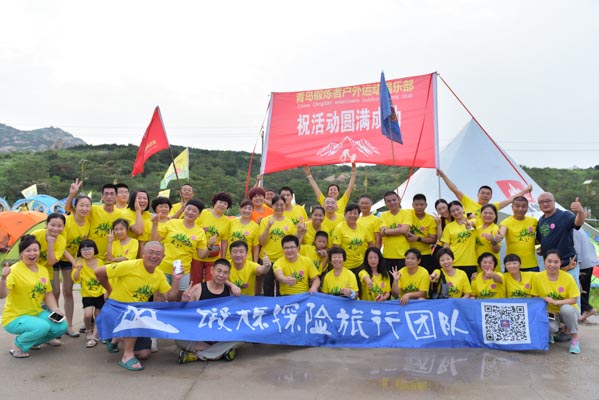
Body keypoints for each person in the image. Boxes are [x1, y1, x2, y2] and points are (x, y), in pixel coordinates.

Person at [95, 241, 183, 371]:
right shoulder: (129, 265)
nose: (154, 256)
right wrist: (109, 290)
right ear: (143, 254)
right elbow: (98, 272)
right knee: (134, 313)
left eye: (158, 253)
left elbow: (170, 298)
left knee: (144, 354)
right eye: (150, 252)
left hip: (136, 314)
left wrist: (176, 279)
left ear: (163, 257)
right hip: (116, 309)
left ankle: (116, 338)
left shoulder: (159, 275)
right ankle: (127, 355)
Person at [1, 235, 68, 358]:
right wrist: (3, 278)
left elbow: (47, 293)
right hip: (15, 317)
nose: (32, 253)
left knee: (62, 326)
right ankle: (17, 345)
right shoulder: (14, 270)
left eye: (35, 250)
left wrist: (56, 309)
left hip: (37, 312)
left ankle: (34, 341)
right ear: (21, 253)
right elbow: (2, 295)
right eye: (28, 250)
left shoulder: (43, 270)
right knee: (43, 327)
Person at [176, 259, 237, 363]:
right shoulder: (197, 289)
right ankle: (218, 352)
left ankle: (197, 355)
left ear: (228, 275)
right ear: (212, 270)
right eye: (219, 271)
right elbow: (184, 316)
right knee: (178, 338)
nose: (221, 275)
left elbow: (236, 317)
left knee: (242, 337)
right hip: (199, 336)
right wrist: (184, 302)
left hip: (221, 336)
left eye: (225, 272)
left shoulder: (231, 292)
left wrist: (233, 286)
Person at [151, 199, 212, 300]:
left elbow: (201, 255)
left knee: (178, 301)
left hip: (182, 271)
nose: (190, 212)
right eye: (188, 209)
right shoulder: (172, 223)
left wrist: (210, 247)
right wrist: (155, 224)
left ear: (199, 215)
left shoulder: (200, 232)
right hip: (163, 267)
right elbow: (154, 240)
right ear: (184, 210)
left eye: (194, 211)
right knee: (159, 299)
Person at [436, 168, 532, 223]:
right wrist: (443, 175)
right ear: (478, 194)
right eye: (482, 193)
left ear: (491, 197)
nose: (485, 195)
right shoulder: (468, 202)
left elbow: (510, 199)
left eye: (488, 194)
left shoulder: (492, 207)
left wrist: (525, 191)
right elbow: (454, 189)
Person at [532, 250, 581, 353]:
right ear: (544, 261)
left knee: (566, 309)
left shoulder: (568, 277)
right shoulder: (537, 277)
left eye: (556, 262)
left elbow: (574, 299)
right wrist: (544, 311)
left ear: (561, 262)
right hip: (550, 313)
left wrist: (556, 302)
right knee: (550, 326)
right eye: (549, 261)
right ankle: (550, 334)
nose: (552, 265)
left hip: (566, 312)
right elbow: (535, 297)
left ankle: (574, 339)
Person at [58, 194, 92, 337]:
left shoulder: (88, 223)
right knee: (54, 292)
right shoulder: (66, 221)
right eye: (81, 205)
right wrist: (73, 261)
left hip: (72, 259)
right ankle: (55, 325)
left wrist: (77, 260)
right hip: (57, 257)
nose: (84, 208)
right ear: (75, 207)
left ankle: (69, 325)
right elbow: (61, 246)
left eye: (87, 206)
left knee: (67, 291)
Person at [536, 193, 585, 275]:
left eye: (548, 201)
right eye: (541, 202)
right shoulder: (541, 220)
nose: (545, 204)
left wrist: (580, 212)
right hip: (550, 267)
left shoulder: (564, 215)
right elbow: (541, 239)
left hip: (568, 265)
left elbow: (578, 223)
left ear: (554, 201)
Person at [259, 195, 297, 296]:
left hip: (283, 260)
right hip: (267, 260)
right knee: (268, 288)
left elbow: (293, 243)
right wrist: (268, 227)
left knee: (282, 288)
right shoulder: (265, 221)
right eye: (276, 205)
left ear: (285, 206)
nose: (279, 207)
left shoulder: (289, 222)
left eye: (282, 205)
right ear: (272, 206)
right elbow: (262, 242)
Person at [71, 240, 105, 348]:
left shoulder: (100, 262)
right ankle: (89, 330)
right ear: (80, 251)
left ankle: (94, 336)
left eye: (89, 248)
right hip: (87, 294)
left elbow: (106, 277)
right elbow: (76, 279)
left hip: (100, 293)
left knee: (98, 315)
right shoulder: (79, 263)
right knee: (87, 315)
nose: (87, 251)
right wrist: (78, 270)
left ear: (94, 250)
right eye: (84, 249)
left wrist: (106, 292)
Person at [196, 192, 232, 283]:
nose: (222, 205)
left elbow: (224, 241)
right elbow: (193, 228)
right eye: (220, 202)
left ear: (227, 207)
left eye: (225, 204)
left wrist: (223, 258)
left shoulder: (227, 221)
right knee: (195, 282)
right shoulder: (203, 213)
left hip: (213, 257)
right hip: (197, 254)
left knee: (211, 282)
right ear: (215, 203)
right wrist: (201, 230)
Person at [497, 196, 539, 271]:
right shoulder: (505, 222)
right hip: (512, 264)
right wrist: (499, 236)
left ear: (527, 207)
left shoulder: (534, 221)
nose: (520, 209)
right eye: (517, 206)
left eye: (523, 206)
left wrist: (541, 246)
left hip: (531, 264)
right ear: (512, 207)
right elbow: (501, 233)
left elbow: (538, 239)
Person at [332, 203, 375, 273]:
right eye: (350, 213)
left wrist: (367, 256)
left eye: (355, 213)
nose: (352, 215)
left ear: (358, 215)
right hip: (345, 266)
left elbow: (370, 243)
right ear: (345, 214)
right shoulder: (339, 228)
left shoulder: (362, 227)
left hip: (360, 264)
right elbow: (336, 248)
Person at [440, 201, 478, 279]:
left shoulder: (473, 220)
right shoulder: (448, 227)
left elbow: (473, 224)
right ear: (450, 213)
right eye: (453, 211)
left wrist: (469, 225)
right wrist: (446, 260)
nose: (456, 212)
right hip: (454, 263)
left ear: (463, 208)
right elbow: (446, 246)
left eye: (458, 209)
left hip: (470, 262)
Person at [405, 194, 437, 273]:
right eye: (416, 205)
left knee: (425, 276)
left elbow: (433, 240)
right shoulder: (407, 213)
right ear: (412, 205)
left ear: (426, 205)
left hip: (425, 254)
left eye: (421, 204)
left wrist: (418, 238)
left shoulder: (431, 219)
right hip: (408, 254)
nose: (419, 207)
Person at [379, 191, 410, 270]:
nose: (392, 203)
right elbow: (382, 232)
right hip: (387, 255)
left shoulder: (406, 213)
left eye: (394, 200)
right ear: (385, 203)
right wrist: (399, 231)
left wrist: (386, 231)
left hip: (403, 255)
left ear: (398, 200)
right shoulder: (383, 215)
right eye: (389, 201)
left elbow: (404, 230)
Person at [573, 228, 598, 322]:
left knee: (577, 288)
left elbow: (576, 248)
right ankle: (584, 313)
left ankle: (587, 309)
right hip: (589, 261)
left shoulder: (572, 230)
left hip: (582, 263)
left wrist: (577, 266)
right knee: (585, 289)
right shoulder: (579, 229)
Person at [121, 190, 152, 256]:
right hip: (128, 252)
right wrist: (138, 210)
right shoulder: (126, 214)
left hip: (144, 251)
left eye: (145, 198)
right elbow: (139, 231)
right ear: (133, 200)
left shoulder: (147, 214)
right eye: (139, 198)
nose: (142, 200)